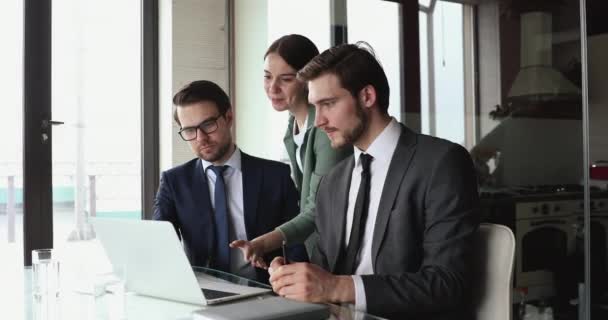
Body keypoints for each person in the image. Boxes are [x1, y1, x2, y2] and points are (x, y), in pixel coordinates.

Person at [267, 43, 480, 319]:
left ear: (367, 96)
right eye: (314, 107)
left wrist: (337, 287)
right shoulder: (332, 183)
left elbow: (446, 284)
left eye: (328, 104)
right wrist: (293, 278)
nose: (318, 121)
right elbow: (324, 273)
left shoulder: (441, 163)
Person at [153, 80, 307, 283]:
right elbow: (158, 244)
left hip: (265, 293)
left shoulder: (275, 176)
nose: (201, 138)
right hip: (202, 293)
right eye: (190, 130)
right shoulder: (174, 182)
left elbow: (296, 242)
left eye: (208, 125)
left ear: (229, 117)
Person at [230, 34, 351, 267]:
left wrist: (264, 243)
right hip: (316, 251)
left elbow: (318, 208)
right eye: (267, 77)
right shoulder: (292, 125)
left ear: (307, 80)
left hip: (340, 254)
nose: (272, 88)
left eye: (285, 79)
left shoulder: (326, 130)